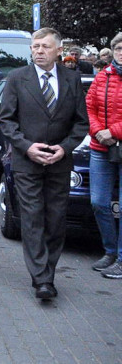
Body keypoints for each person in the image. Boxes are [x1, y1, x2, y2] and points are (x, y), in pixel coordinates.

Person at [0, 27, 90, 300]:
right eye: (35, 46)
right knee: (33, 218)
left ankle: (48, 269)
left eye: (45, 47)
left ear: (58, 50)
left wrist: (64, 148)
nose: (39, 51)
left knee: (56, 220)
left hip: (60, 163)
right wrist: (27, 147)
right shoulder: (16, 78)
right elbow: (6, 120)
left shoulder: (72, 80)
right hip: (28, 163)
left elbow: (81, 123)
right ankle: (42, 279)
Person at [86, 32, 122, 278]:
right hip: (101, 147)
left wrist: (114, 131)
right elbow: (89, 107)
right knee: (98, 202)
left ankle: (121, 258)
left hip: (116, 140)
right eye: (119, 48)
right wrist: (99, 132)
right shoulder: (102, 77)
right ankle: (110, 251)